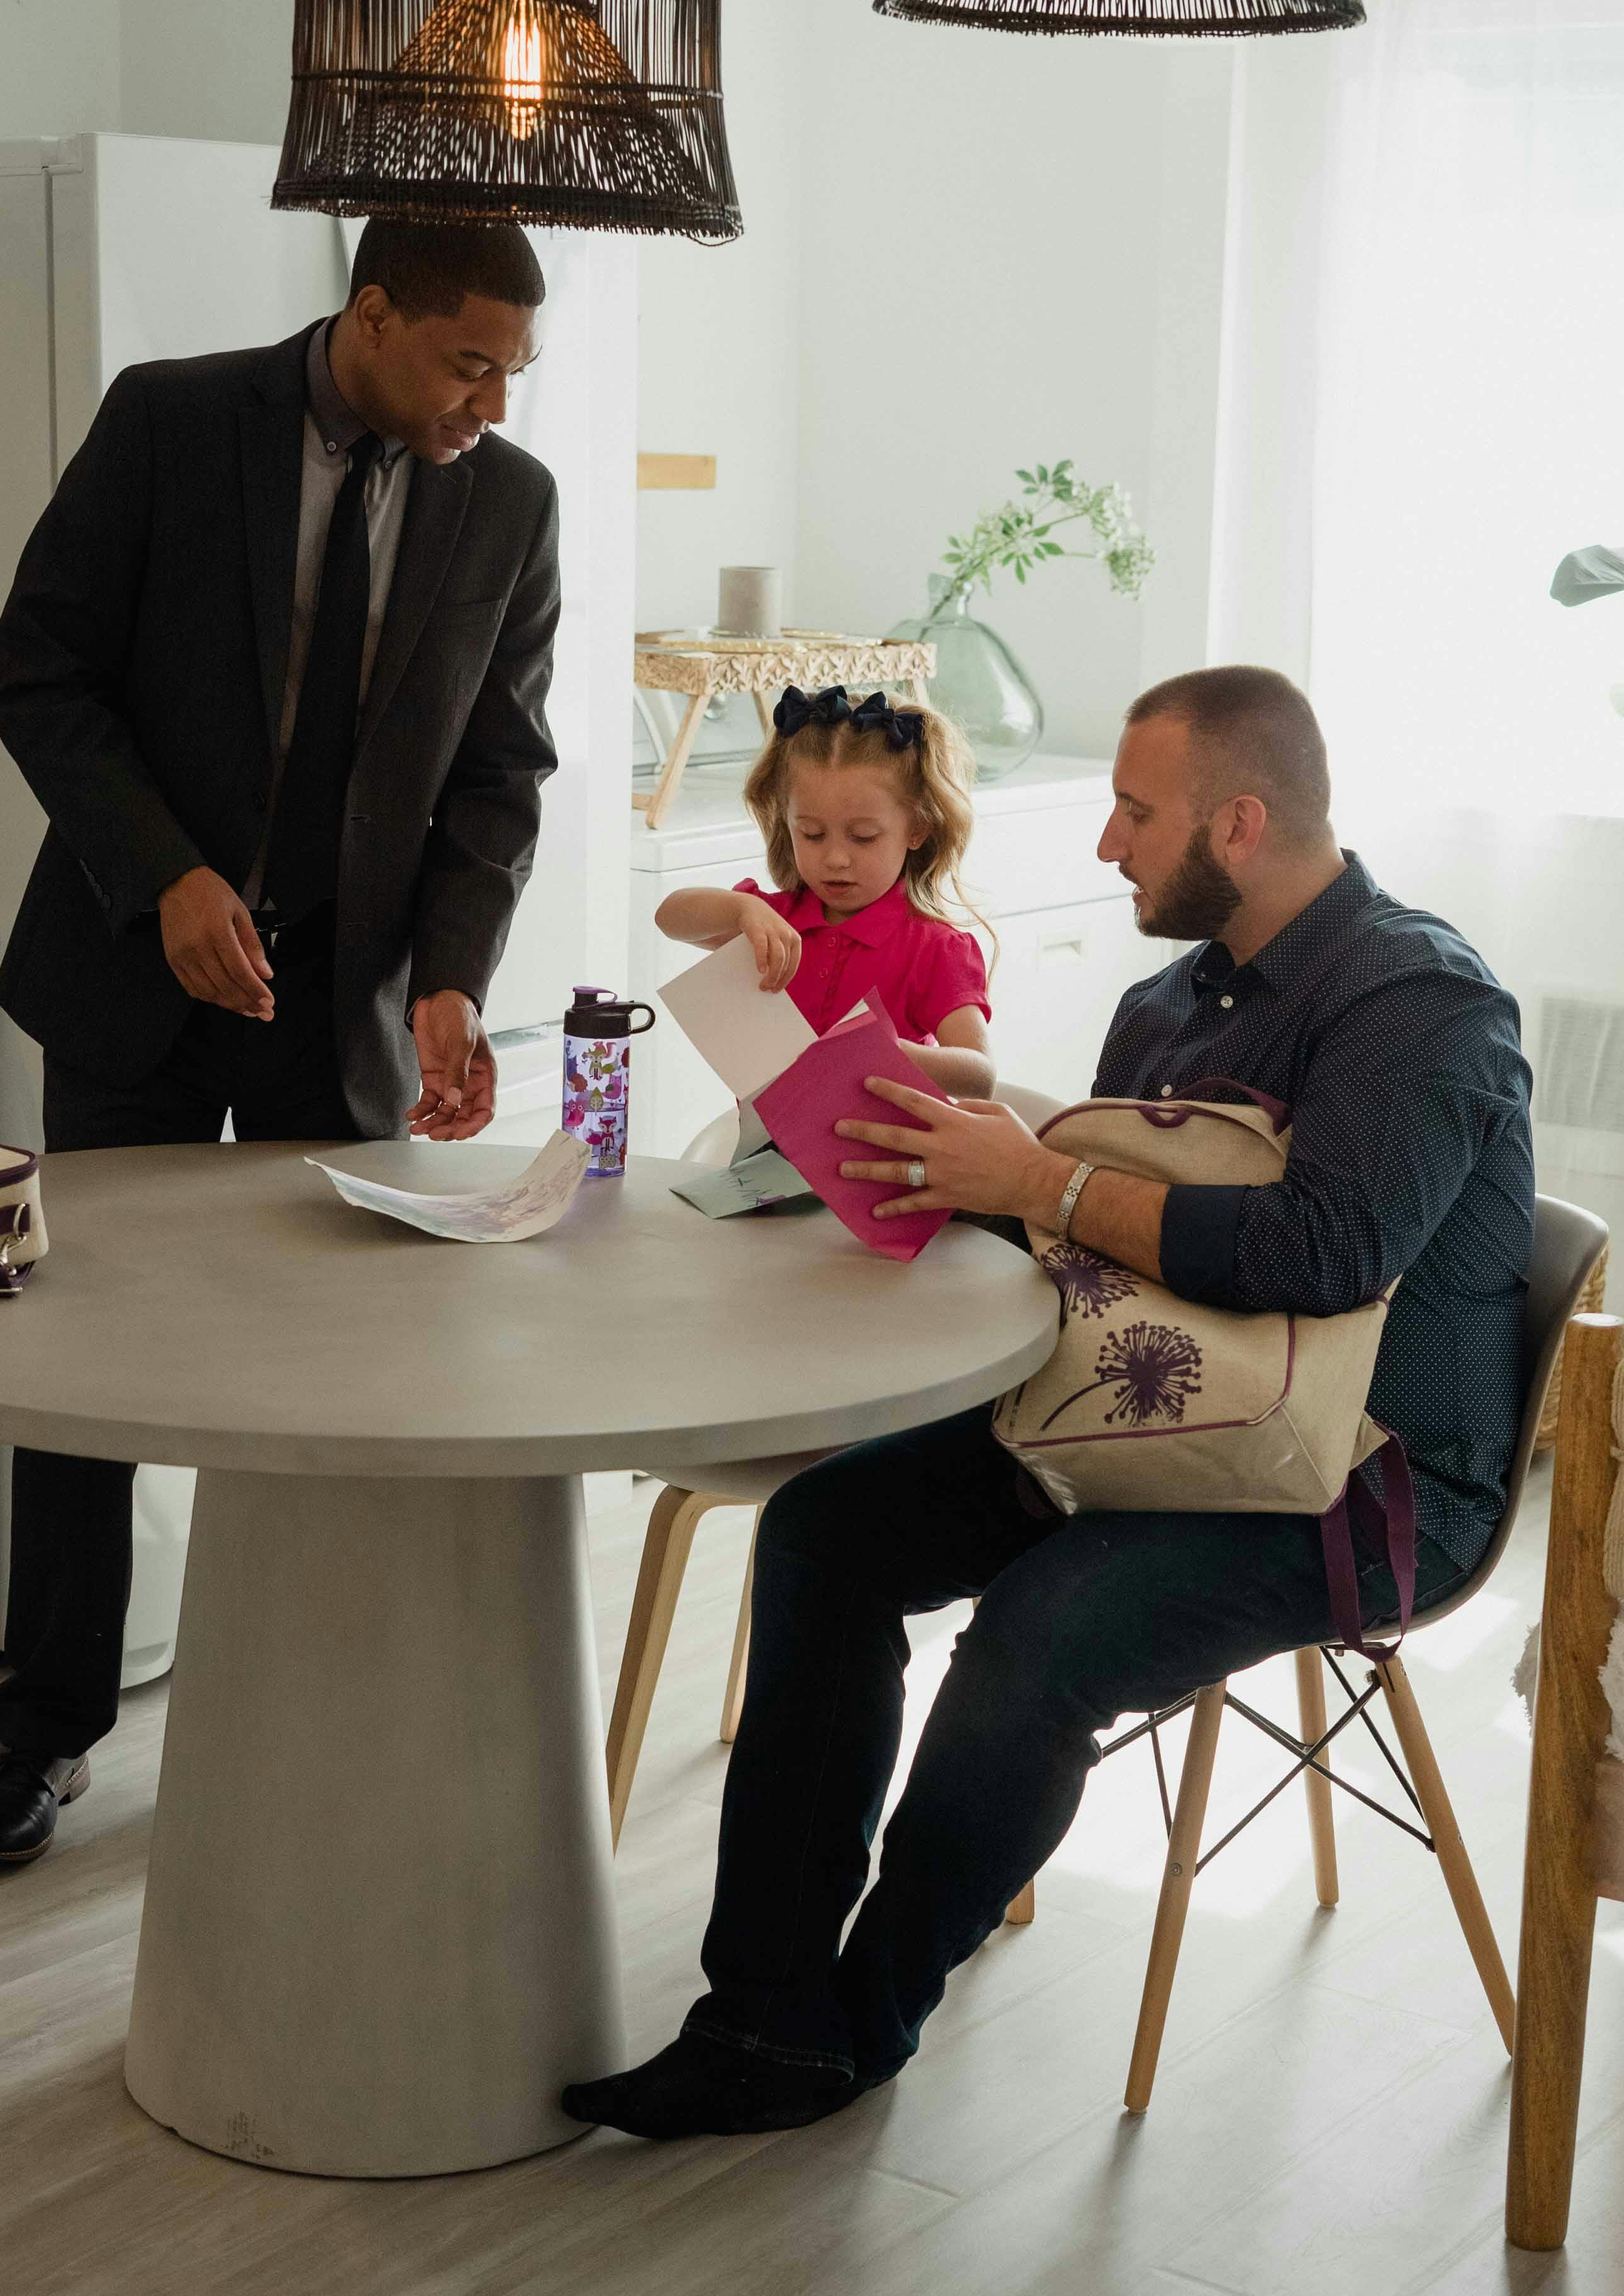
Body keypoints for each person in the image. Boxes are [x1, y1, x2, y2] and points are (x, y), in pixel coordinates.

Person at [565, 665, 1534, 2139]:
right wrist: (946, 1167)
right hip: (1147, 1416)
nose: (1105, 845)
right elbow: (1102, 1252)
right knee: (827, 1531)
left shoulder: (1416, 1000)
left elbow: (1326, 1255)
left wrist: (1039, 1177)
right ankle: (764, 2014)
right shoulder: (1169, 1001)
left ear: (1242, 818)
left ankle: (859, 2018)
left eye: (1133, 813)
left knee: (1043, 1630)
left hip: (1356, 1482)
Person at [0, 219, 559, 1866]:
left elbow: (497, 773)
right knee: (89, 1364)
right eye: (466, 360)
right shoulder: (170, 418)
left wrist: (450, 980)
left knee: (340, 1372)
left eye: (514, 369)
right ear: (371, 314)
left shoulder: (510, 501)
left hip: (339, 1010)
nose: (490, 401)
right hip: (136, 983)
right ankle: (52, 1732)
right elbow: (43, 676)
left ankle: (327, 1711)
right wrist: (165, 877)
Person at [655, 684, 995, 1098]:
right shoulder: (774, 921)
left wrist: (876, 1051)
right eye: (812, 834)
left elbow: (979, 1076)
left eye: (864, 836)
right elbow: (669, 918)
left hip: (890, 1160)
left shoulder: (934, 948)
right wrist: (742, 909)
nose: (835, 858)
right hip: (771, 1155)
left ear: (918, 828)